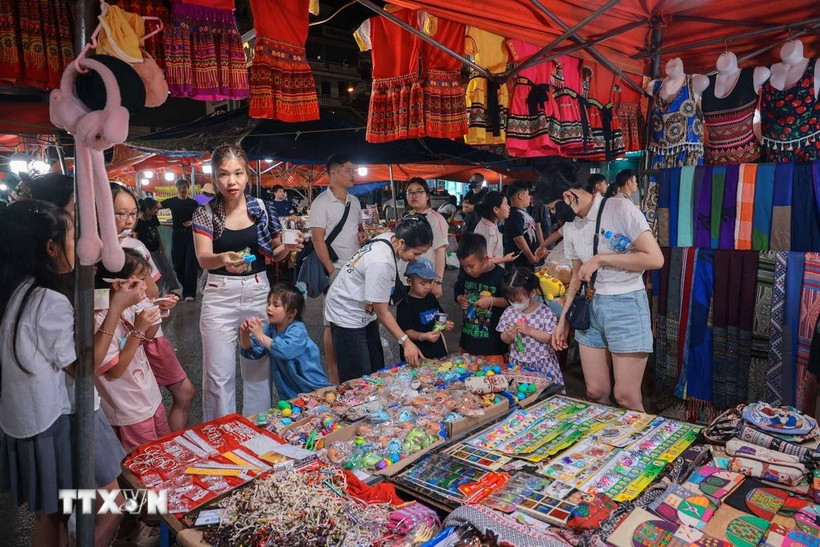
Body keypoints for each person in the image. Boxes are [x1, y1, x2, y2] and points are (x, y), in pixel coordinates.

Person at [0, 201, 124, 546]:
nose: (83, 245)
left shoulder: (13, 291)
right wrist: (116, 310)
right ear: (51, 247)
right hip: (63, 420)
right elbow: (85, 367)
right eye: (74, 237)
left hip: (26, 421)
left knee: (52, 513)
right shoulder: (47, 301)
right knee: (113, 503)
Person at [193, 144, 296, 420]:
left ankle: (256, 430)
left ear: (247, 175)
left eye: (238, 173)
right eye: (224, 174)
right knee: (218, 376)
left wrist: (288, 247)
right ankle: (221, 434)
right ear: (214, 178)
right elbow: (203, 258)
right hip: (218, 295)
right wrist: (222, 258)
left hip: (256, 291)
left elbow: (274, 253)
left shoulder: (262, 208)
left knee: (258, 368)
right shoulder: (205, 211)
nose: (231, 181)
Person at [545, 179, 664, 411]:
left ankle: (638, 445)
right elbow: (577, 274)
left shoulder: (620, 208)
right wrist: (563, 320)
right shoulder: (571, 226)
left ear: (568, 196)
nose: (553, 214)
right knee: (596, 391)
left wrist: (601, 258)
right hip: (590, 307)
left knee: (626, 396)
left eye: (553, 207)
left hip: (626, 305)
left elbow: (655, 259)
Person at [112, 183, 195, 432]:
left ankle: (174, 450)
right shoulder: (92, 252)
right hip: (117, 340)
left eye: (132, 213)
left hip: (151, 333)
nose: (129, 220)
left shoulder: (136, 247)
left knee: (184, 392)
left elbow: (150, 291)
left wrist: (159, 301)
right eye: (121, 213)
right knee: (137, 414)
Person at [325, 215, 433, 381]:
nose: (416, 258)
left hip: (363, 309)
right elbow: (382, 312)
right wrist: (406, 342)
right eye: (416, 253)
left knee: (375, 368)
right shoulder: (381, 262)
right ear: (402, 243)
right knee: (359, 376)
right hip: (346, 312)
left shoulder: (390, 238)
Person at [94, 249, 170, 451]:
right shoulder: (100, 319)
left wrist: (157, 310)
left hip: (150, 397)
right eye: (141, 281)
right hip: (128, 409)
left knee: (163, 453)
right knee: (143, 465)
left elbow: (151, 334)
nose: (146, 287)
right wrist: (138, 330)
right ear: (119, 285)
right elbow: (115, 371)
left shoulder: (130, 305)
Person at [309, 154, 367, 385]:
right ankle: (333, 372)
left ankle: (354, 363)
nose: (353, 174)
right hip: (335, 269)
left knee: (357, 316)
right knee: (331, 321)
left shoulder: (355, 201)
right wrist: (331, 269)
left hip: (356, 267)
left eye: (353, 170)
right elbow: (317, 239)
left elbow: (358, 228)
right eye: (348, 170)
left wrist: (362, 234)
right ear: (334, 173)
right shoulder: (320, 203)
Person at [239, 282, 331, 399]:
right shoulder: (272, 328)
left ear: (292, 313)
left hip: (311, 387)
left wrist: (260, 336)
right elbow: (255, 352)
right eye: (269, 303)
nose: (269, 308)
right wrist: (244, 336)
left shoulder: (298, 330)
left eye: (276, 305)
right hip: (289, 391)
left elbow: (285, 350)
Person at [497, 268, 563, 384]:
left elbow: (550, 337)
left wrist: (530, 331)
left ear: (532, 293)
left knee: (545, 394)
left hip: (542, 364)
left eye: (519, 300)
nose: (515, 305)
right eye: (511, 301)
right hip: (518, 364)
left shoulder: (545, 313)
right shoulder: (509, 312)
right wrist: (508, 335)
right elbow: (503, 338)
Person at [454, 233, 509, 362]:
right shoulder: (465, 274)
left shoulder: (501, 276)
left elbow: (510, 302)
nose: (467, 270)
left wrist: (491, 301)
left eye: (471, 266)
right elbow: (458, 291)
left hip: (493, 346)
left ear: (485, 259)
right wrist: (459, 299)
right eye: (464, 267)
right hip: (467, 342)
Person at [396, 257, 455, 360]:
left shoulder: (431, 297)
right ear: (410, 282)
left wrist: (446, 324)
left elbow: (440, 316)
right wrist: (423, 336)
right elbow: (406, 331)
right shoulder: (405, 304)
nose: (427, 287)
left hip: (438, 350)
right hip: (418, 354)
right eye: (423, 283)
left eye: (430, 282)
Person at [404, 178, 448, 297]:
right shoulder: (407, 217)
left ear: (427, 196)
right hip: (406, 278)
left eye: (419, 191)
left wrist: (437, 282)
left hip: (425, 280)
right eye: (410, 192)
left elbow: (440, 251)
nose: (414, 195)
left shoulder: (436, 219)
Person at [162, 178, 200, 301]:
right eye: (180, 187)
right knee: (178, 264)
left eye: (184, 187)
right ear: (176, 188)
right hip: (177, 234)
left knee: (190, 263)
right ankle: (185, 287)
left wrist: (193, 222)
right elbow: (155, 207)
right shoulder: (171, 202)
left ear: (188, 189)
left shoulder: (193, 203)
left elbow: (200, 217)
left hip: (190, 234)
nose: (182, 189)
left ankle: (190, 293)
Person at [135, 197, 181, 295]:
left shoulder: (153, 218)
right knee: (155, 272)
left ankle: (169, 289)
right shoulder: (139, 222)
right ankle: (157, 293)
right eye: (154, 208)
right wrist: (139, 252)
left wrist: (160, 245)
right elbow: (136, 237)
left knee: (165, 268)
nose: (157, 210)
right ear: (147, 210)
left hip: (156, 248)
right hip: (147, 252)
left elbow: (156, 231)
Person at [503, 181, 542, 269]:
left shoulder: (523, 212)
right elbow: (518, 238)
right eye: (528, 195)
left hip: (527, 261)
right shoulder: (514, 214)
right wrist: (530, 257)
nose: (529, 197)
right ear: (521, 196)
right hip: (519, 263)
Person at [474, 191, 517, 265]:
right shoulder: (488, 231)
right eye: (506, 204)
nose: (509, 207)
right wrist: (506, 259)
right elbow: (485, 261)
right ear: (496, 209)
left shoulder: (486, 223)